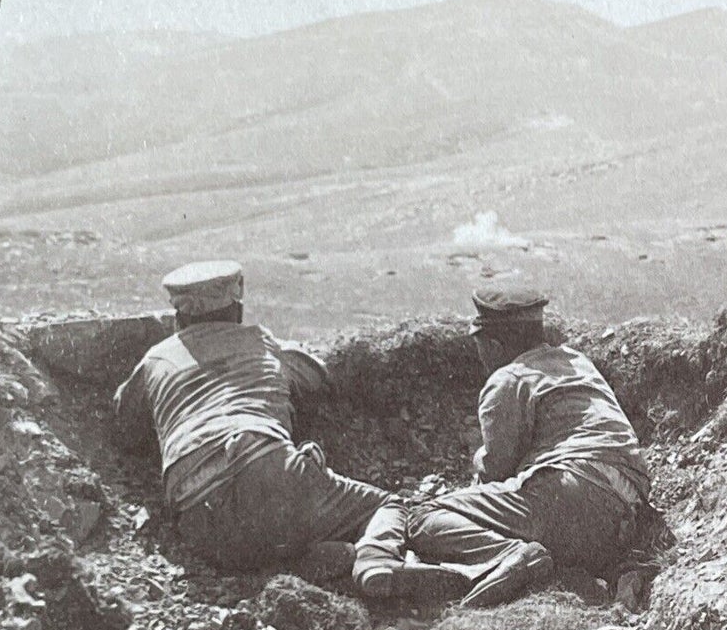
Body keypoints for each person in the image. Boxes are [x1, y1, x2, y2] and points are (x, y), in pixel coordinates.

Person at [113, 259, 421, 598]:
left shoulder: (155, 359)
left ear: (178, 317)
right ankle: (373, 561)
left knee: (246, 547)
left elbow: (126, 428)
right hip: (268, 467)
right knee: (389, 506)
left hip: (200, 518)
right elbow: (318, 378)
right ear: (237, 309)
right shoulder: (262, 343)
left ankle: (296, 562)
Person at [408, 286, 650, 607]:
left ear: (494, 345)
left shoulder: (510, 378)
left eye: (480, 346)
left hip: (572, 494)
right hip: (627, 513)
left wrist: (477, 460)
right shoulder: (576, 361)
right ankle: (566, 570)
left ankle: (511, 556)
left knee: (424, 516)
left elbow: (496, 470)